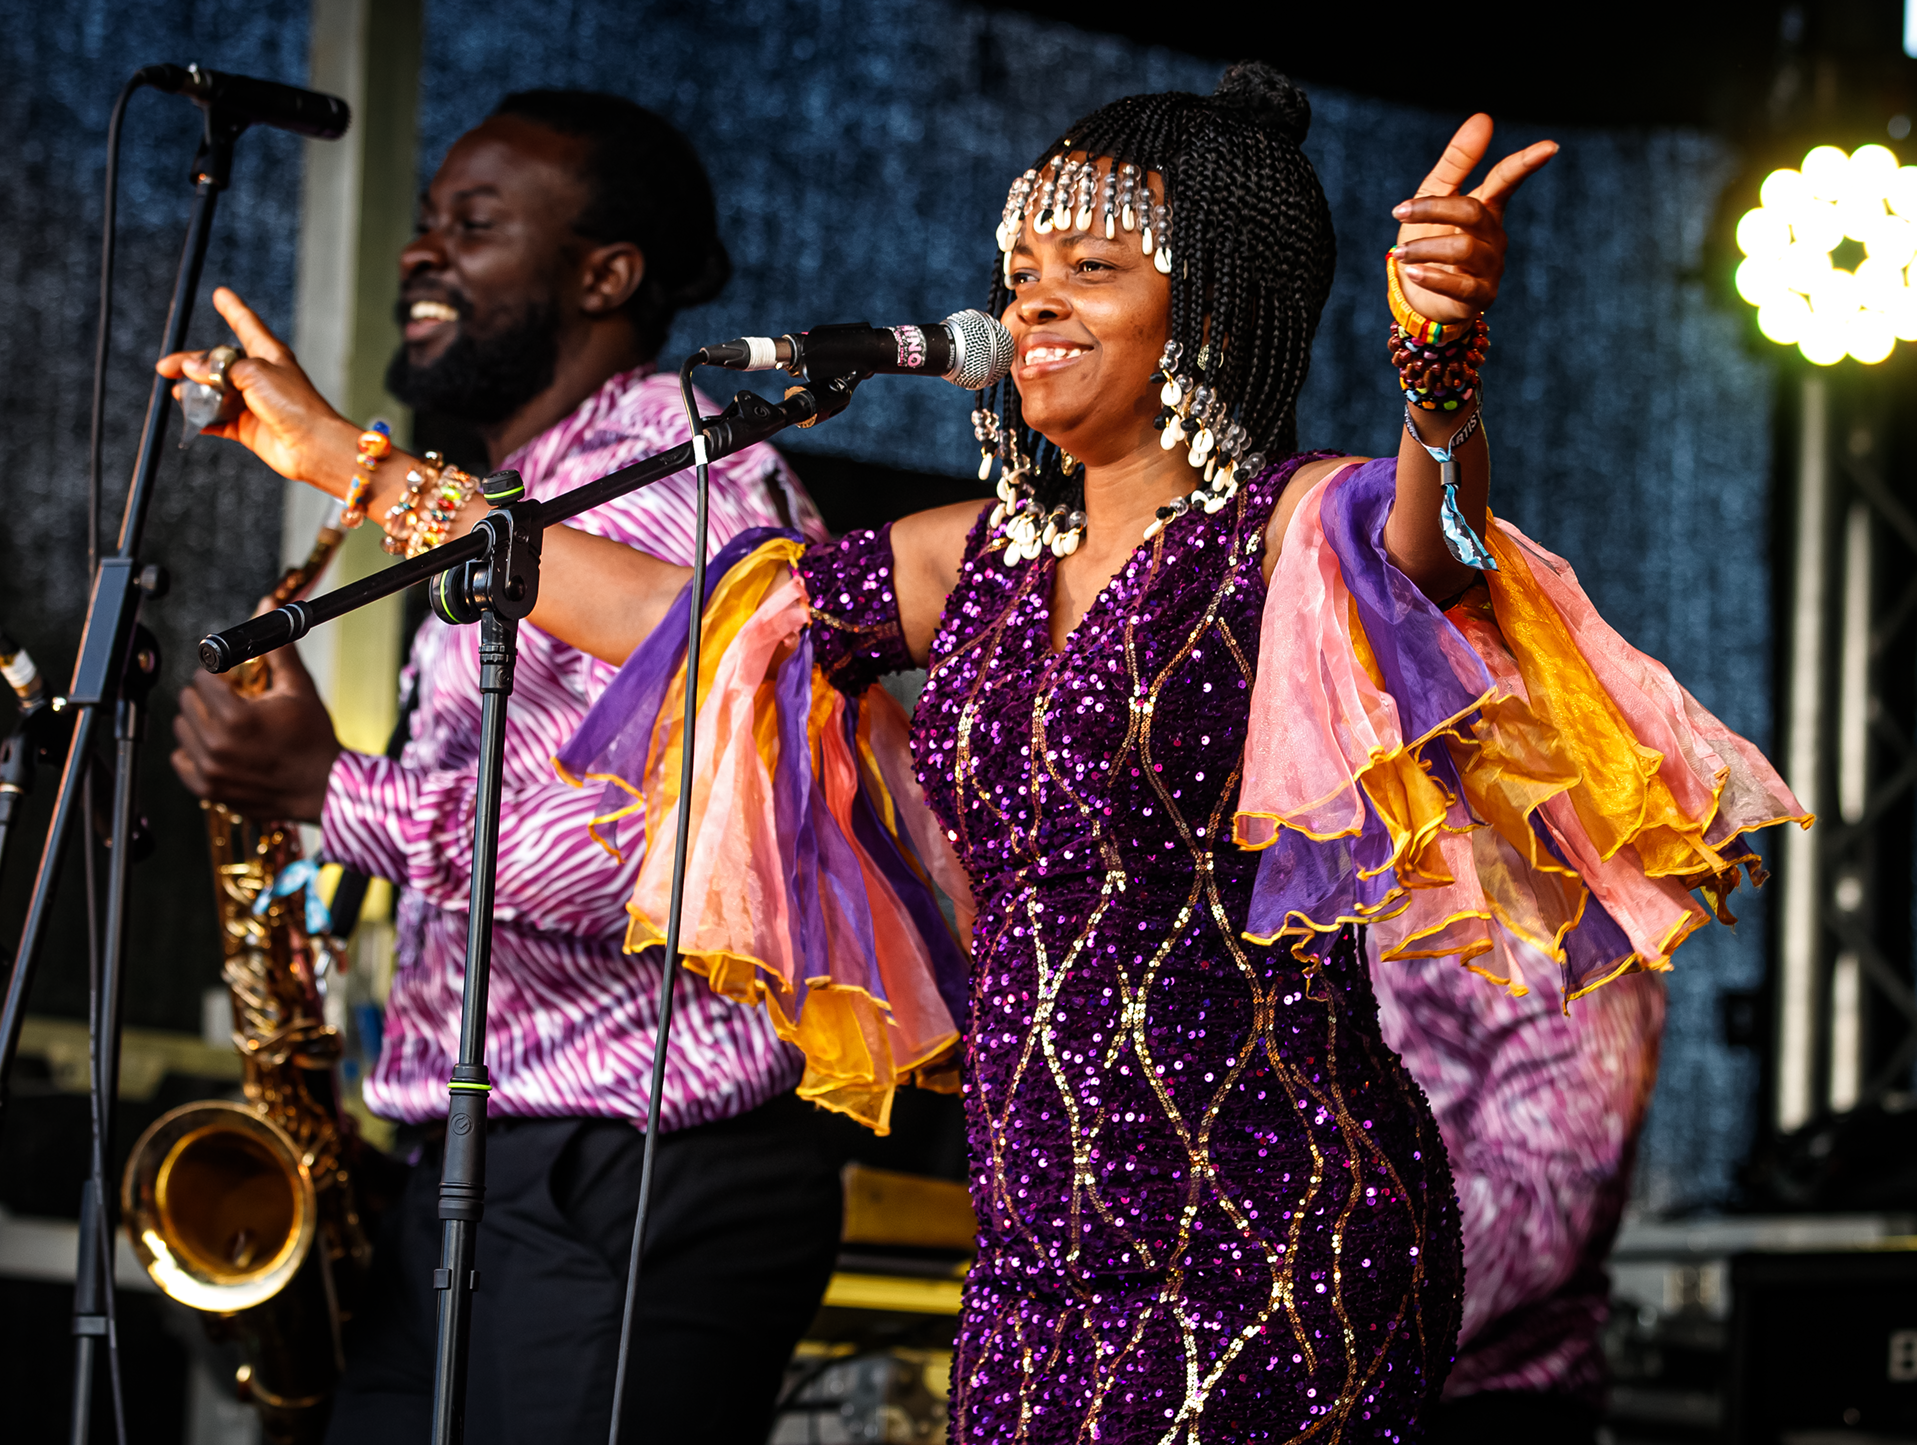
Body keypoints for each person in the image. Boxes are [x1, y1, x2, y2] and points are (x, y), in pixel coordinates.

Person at [188, 63, 1805, 1443]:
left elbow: (1435, 549)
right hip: (1036, 1242)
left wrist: (1439, 370)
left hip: (1271, 1224)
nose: (1031, 297)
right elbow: (679, 616)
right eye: (1022, 264)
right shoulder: (981, 563)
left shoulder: (1296, 530)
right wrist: (347, 460)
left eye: (1091, 267)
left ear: (1214, 302)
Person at [162, 91, 839, 1443]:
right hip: (480, 1172)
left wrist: (331, 794)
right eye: (423, 224)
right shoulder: (532, 489)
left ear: (606, 275)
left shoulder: (674, 478)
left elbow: (675, 844)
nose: (422, 253)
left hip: (636, 1175)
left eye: (471, 225)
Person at [1375, 954, 1665, 1444]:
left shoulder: (1556, 934)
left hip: (1491, 1405)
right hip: (1361, 1391)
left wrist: (1337, 1320)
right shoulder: (1357, 908)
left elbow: (1539, 1212)